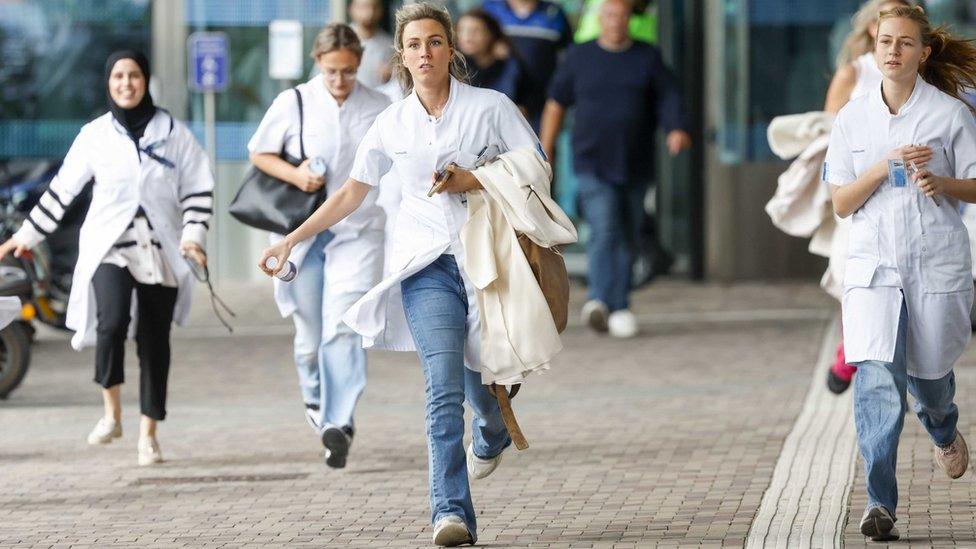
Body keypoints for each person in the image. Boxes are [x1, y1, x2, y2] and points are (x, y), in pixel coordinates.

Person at [259, 3, 541, 545]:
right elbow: (350, 192)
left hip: (487, 263)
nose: (424, 53)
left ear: (451, 49)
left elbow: (536, 163)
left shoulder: (491, 106)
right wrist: (293, 238)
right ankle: (450, 513)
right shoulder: (391, 122)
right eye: (414, 45)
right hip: (424, 265)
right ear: (401, 56)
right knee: (441, 388)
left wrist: (473, 180)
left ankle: (492, 430)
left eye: (435, 42)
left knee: (480, 382)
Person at [0, 50, 214, 466]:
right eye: (118, 76)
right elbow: (62, 192)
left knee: (155, 341)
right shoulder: (95, 135)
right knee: (111, 321)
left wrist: (193, 237)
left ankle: (149, 434)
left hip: (160, 250)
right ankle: (112, 414)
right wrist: (25, 236)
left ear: (145, 80)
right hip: (109, 247)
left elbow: (198, 190)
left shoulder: (175, 132)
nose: (126, 83)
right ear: (108, 82)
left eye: (134, 75)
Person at [824, 6, 976, 541]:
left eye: (905, 43)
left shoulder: (950, 115)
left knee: (930, 383)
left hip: (935, 263)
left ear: (923, 52)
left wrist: (942, 182)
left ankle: (944, 429)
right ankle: (879, 503)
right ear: (873, 47)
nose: (893, 51)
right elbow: (841, 202)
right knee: (877, 385)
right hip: (873, 268)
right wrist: (880, 168)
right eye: (885, 42)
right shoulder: (853, 117)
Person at [248, 24, 390, 469]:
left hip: (358, 232)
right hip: (301, 237)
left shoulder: (380, 107)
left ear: (359, 64)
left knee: (343, 326)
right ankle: (316, 402)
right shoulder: (294, 102)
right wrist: (298, 175)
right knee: (310, 336)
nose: (340, 81)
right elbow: (259, 151)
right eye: (331, 71)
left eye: (348, 71)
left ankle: (338, 422)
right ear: (317, 63)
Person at [539, 0, 690, 338]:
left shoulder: (647, 57)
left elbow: (669, 96)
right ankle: (602, 301)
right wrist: (545, 147)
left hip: (636, 162)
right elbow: (555, 104)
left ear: (629, 21)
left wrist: (676, 128)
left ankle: (617, 303)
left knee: (629, 231)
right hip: (592, 160)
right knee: (606, 228)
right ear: (599, 20)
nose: (615, 22)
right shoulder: (579, 57)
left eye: (621, 16)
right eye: (609, 16)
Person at [823, 0, 915, 394]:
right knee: (858, 280)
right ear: (873, 28)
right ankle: (851, 355)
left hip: (912, 198)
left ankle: (888, 372)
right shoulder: (852, 73)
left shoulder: (920, 77)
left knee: (906, 289)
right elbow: (829, 135)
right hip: (861, 198)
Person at [481, 0, 572, 131]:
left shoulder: (554, 14)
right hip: (497, 100)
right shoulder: (490, 9)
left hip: (542, 102)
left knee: (540, 149)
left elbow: (568, 57)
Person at [456, 8, 526, 106]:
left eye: (476, 30)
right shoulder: (451, 64)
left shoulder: (509, 64)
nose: (468, 36)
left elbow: (526, 101)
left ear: (491, 34)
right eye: (462, 30)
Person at [348, 0, 395, 89]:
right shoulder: (339, 41)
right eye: (364, 7)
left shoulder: (390, 45)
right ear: (351, 9)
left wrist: (392, 76)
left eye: (375, 7)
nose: (370, 12)